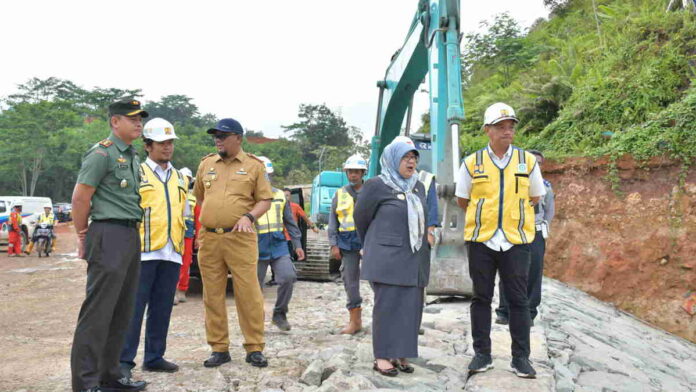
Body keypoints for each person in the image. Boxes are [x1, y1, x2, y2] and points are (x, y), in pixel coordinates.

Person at [455, 102, 545, 379]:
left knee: (518, 300)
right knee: (481, 298)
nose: (508, 131)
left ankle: (521, 358)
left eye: (510, 127)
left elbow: (536, 196)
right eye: (501, 127)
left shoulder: (527, 161)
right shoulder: (472, 163)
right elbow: (462, 199)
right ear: (487, 130)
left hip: (516, 240)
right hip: (482, 240)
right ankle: (482, 354)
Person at [70, 98, 148, 392]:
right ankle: (85, 382)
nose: (138, 122)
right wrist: (81, 235)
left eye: (140, 118)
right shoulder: (101, 154)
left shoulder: (132, 156)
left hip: (130, 233)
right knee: (98, 311)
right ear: (115, 122)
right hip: (108, 233)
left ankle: (110, 375)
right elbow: (80, 197)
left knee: (121, 309)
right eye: (132, 118)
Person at [194, 118, 273, 368]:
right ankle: (219, 348)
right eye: (215, 135)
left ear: (238, 138)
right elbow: (199, 197)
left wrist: (249, 216)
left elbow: (265, 200)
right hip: (210, 238)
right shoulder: (206, 164)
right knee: (213, 295)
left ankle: (254, 347)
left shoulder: (254, 166)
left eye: (223, 135)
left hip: (240, 239)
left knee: (248, 294)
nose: (218, 139)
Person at [355, 141, 431, 377]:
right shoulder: (376, 185)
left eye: (414, 158)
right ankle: (382, 356)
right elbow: (361, 218)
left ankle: (400, 352)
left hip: (415, 257)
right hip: (387, 257)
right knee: (388, 306)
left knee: (411, 306)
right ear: (392, 159)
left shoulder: (418, 186)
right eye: (405, 157)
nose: (411, 162)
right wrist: (372, 244)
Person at [119, 118, 188, 377]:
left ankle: (155, 356)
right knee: (133, 310)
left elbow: (184, 212)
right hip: (143, 251)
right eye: (161, 143)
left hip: (171, 250)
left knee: (162, 308)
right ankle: (124, 363)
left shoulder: (180, 177)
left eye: (170, 142)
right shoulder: (136, 173)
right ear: (147, 146)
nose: (167, 147)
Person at [496, 150, 555, 326]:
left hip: (535, 233)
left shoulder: (546, 187)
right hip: (512, 231)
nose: (536, 165)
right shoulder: (511, 183)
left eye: (539, 163)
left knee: (533, 272)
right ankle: (504, 312)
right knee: (508, 271)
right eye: (532, 162)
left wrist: (539, 227)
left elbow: (549, 212)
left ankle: (528, 313)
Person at [254, 156, 304, 331]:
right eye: (261, 174)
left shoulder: (280, 195)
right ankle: (255, 320)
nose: (265, 178)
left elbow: (290, 222)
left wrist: (297, 244)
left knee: (288, 277)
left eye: (267, 174)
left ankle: (279, 314)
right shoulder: (246, 196)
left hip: (278, 243)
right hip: (255, 245)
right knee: (254, 286)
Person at [328, 154, 367, 334]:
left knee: (378, 279)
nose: (353, 175)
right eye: (350, 172)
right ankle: (355, 320)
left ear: (362, 173)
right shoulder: (340, 193)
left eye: (356, 172)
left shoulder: (371, 191)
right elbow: (333, 221)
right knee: (350, 280)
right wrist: (333, 244)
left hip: (369, 241)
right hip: (347, 242)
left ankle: (387, 318)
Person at [174, 167, 197, 305]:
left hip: (188, 234)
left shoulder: (194, 197)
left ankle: (182, 290)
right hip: (174, 233)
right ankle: (173, 291)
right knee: (173, 262)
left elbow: (199, 218)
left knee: (186, 262)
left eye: (188, 178)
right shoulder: (172, 193)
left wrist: (199, 237)